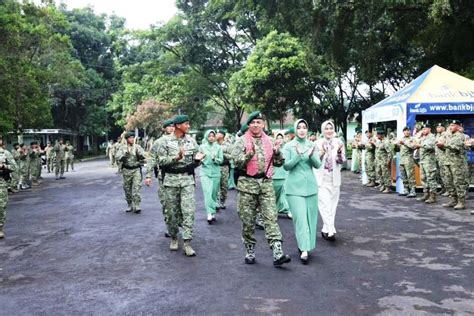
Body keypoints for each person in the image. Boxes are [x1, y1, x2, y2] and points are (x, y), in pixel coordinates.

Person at [232, 111, 291, 267]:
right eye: (253, 122)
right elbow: (236, 162)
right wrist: (248, 156)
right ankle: (250, 249)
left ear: (263, 124)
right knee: (248, 221)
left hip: (265, 184)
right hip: (247, 185)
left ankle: (277, 252)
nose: (256, 125)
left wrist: (277, 152)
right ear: (249, 125)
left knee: (271, 218)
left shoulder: (270, 141)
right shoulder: (241, 141)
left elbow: (279, 163)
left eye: (259, 122)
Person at [156, 115, 205, 257]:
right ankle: (173, 237)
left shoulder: (191, 141)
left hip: (187, 180)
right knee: (172, 213)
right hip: (170, 181)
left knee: (188, 211)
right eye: (186, 124)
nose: (189, 126)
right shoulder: (164, 142)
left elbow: (198, 155)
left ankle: (187, 243)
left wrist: (198, 160)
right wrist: (176, 158)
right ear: (178, 125)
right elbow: (161, 161)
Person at [283, 119, 322, 264]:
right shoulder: (289, 146)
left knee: (311, 219)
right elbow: (286, 166)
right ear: (295, 130)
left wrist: (312, 156)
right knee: (300, 219)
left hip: (311, 187)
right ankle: (304, 248)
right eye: (299, 127)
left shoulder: (312, 145)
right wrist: (298, 156)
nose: (301, 130)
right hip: (294, 188)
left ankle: (307, 245)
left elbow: (318, 165)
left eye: (304, 127)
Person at [313, 120, 345, 244]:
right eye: (326, 128)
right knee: (324, 205)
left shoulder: (339, 143)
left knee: (332, 206)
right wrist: (321, 154)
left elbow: (342, 160)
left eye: (331, 128)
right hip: (321, 178)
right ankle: (331, 229)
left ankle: (325, 228)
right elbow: (315, 162)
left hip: (334, 178)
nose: (329, 131)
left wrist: (338, 153)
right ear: (322, 130)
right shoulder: (317, 143)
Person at [145, 119, 176, 237]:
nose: (172, 128)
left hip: (178, 177)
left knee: (178, 204)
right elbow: (152, 159)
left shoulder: (180, 140)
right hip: (164, 177)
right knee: (166, 204)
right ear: (164, 128)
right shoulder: (158, 142)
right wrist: (148, 175)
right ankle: (170, 227)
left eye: (173, 126)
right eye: (169, 126)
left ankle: (178, 225)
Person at [437, 120, 468, 210]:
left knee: (458, 182)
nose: (451, 127)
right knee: (449, 182)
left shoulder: (460, 136)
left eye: (453, 125)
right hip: (448, 162)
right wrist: (441, 146)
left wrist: (444, 145)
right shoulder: (449, 136)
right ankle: (453, 200)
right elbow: (446, 148)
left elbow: (456, 147)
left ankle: (461, 202)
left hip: (457, 163)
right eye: (450, 125)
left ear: (458, 127)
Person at [116, 131, 146, 214]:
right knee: (127, 189)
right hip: (126, 170)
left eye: (133, 138)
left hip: (136, 169)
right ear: (126, 139)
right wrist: (124, 155)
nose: (132, 139)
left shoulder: (137, 147)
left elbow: (144, 156)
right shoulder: (122, 148)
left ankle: (137, 205)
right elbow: (118, 157)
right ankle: (129, 204)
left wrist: (139, 154)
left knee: (137, 187)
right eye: (130, 138)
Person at [199, 130, 223, 224]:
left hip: (216, 173)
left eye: (213, 136)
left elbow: (221, 160)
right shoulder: (202, 147)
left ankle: (213, 212)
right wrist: (201, 159)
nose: (211, 138)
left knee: (213, 193)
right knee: (207, 193)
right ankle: (209, 213)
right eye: (209, 136)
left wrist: (215, 159)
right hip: (205, 172)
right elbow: (198, 158)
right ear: (206, 136)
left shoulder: (219, 147)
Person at [413, 123, 437, 204]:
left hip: (429, 161)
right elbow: (415, 143)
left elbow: (431, 146)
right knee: (423, 178)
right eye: (422, 129)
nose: (423, 131)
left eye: (425, 129)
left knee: (431, 178)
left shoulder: (432, 137)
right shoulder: (422, 137)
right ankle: (426, 194)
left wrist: (420, 145)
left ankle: (432, 196)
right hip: (422, 160)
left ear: (429, 129)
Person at [0, 139, 17, 238]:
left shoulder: (5, 153)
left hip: (1, 182)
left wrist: (3, 166)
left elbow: (14, 167)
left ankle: (0, 227)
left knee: (1, 206)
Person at [273, 132, 291, 219]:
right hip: (275, 175)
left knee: (285, 194)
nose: (279, 139)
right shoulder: (273, 148)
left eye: (281, 138)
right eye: (277, 138)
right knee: (275, 195)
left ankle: (288, 210)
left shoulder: (287, 148)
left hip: (284, 174)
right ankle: (274, 210)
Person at [395, 127, 417, 197]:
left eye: (408, 130)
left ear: (410, 131)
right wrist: (396, 145)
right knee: (403, 175)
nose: (407, 132)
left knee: (410, 175)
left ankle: (413, 190)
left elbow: (413, 147)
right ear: (403, 132)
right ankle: (406, 189)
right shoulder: (402, 139)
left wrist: (404, 143)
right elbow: (397, 150)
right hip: (402, 160)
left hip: (408, 160)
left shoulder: (412, 139)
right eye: (405, 131)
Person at [216, 128, 232, 209]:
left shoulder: (227, 145)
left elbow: (231, 156)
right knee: (216, 185)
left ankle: (222, 201)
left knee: (224, 186)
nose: (216, 135)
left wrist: (222, 153)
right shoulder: (214, 144)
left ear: (222, 135)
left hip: (224, 167)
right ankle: (217, 202)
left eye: (218, 133)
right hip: (215, 166)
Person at [374, 128, 393, 193]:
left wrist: (388, 161)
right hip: (379, 161)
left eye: (378, 135)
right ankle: (383, 185)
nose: (376, 136)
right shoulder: (380, 141)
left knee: (386, 174)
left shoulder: (386, 142)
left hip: (384, 161)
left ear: (381, 135)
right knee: (380, 173)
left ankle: (388, 187)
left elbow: (390, 152)